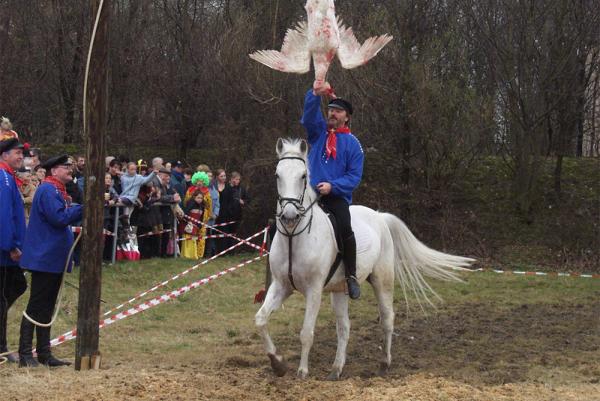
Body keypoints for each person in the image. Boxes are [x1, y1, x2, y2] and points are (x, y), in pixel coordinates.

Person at [18, 155, 83, 367]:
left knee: (46, 306)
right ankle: (25, 354)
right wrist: (83, 207)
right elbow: (59, 218)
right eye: (66, 167)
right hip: (44, 257)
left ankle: (44, 353)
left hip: (53, 257)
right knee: (36, 305)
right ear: (54, 171)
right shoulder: (48, 190)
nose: (70, 170)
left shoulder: (57, 190)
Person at [300, 87, 364, 299]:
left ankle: (351, 276)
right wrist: (315, 93)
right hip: (311, 196)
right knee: (282, 221)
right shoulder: (318, 134)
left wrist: (332, 186)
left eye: (337, 111)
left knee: (345, 228)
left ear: (347, 117)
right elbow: (309, 116)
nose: (332, 114)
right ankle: (280, 271)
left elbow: (354, 177)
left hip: (335, 198)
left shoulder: (354, 145)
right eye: (330, 110)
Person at [0, 139, 28, 363]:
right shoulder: (3, 177)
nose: (21, 156)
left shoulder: (9, 176)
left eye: (22, 153)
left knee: (17, 286)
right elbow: (3, 215)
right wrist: (11, 245)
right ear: (4, 155)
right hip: (4, 249)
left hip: (8, 247)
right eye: (16, 153)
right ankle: (1, 347)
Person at [218, 172, 249, 252]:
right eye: (236, 179)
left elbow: (247, 199)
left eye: (238, 179)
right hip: (226, 215)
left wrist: (244, 202)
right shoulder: (226, 187)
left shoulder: (241, 189)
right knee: (225, 233)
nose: (237, 181)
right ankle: (224, 250)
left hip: (237, 215)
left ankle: (231, 251)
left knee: (233, 233)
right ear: (231, 179)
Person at [183, 172, 212, 258]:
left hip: (202, 217)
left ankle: (199, 255)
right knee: (190, 234)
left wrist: (208, 216)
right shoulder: (190, 190)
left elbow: (209, 205)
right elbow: (185, 202)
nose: (199, 183)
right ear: (195, 181)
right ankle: (190, 254)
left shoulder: (207, 192)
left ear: (204, 182)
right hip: (191, 216)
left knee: (201, 237)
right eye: (198, 181)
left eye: (201, 181)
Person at [156, 168, 181, 257]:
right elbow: (160, 197)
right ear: (160, 175)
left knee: (166, 234)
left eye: (168, 176)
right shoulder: (157, 184)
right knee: (159, 234)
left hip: (167, 213)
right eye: (166, 176)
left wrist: (175, 197)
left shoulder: (169, 186)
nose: (168, 178)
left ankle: (164, 252)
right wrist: (172, 198)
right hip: (158, 213)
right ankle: (159, 253)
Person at [180, 190, 205, 259]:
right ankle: (187, 255)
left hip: (196, 226)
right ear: (194, 197)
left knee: (193, 240)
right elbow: (186, 214)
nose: (200, 199)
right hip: (188, 225)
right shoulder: (191, 204)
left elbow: (201, 217)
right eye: (198, 198)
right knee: (188, 240)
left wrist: (200, 225)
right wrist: (188, 223)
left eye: (201, 198)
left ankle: (193, 255)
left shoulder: (202, 206)